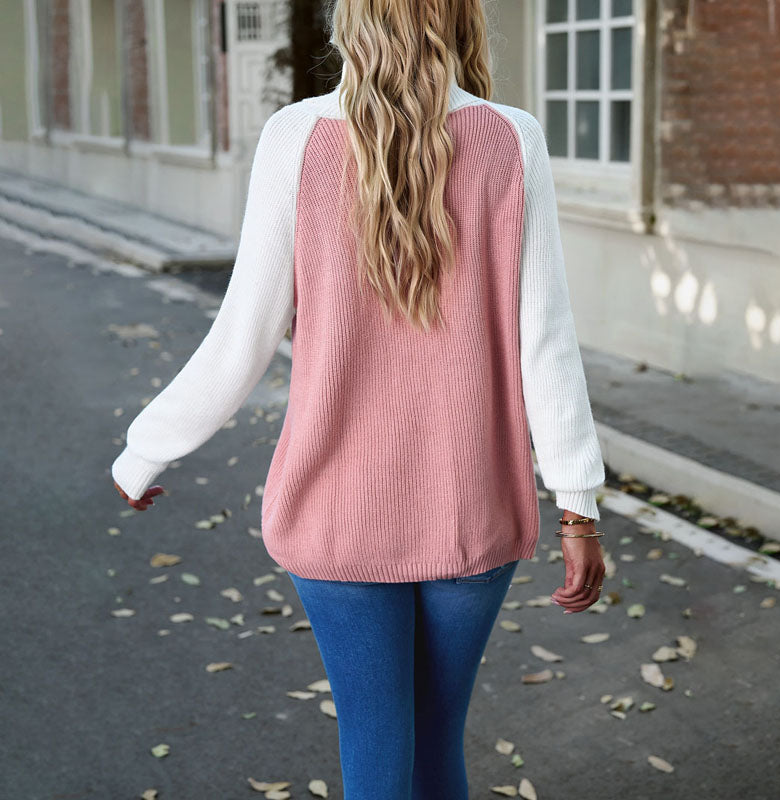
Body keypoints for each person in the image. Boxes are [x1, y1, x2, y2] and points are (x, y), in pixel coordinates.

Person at [111, 1, 607, 796]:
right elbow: (545, 342)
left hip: (335, 510)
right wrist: (578, 508)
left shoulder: (296, 137)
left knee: (375, 737)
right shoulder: (512, 139)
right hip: (470, 502)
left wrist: (147, 449)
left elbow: (243, 332)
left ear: (352, 18)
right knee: (437, 741)